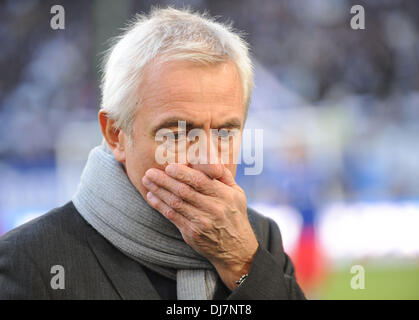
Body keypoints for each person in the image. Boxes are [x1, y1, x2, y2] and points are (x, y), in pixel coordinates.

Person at [0, 7, 305, 300]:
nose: (209, 161)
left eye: (225, 133)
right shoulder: (28, 261)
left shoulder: (259, 240)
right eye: (177, 134)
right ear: (116, 134)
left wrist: (243, 266)